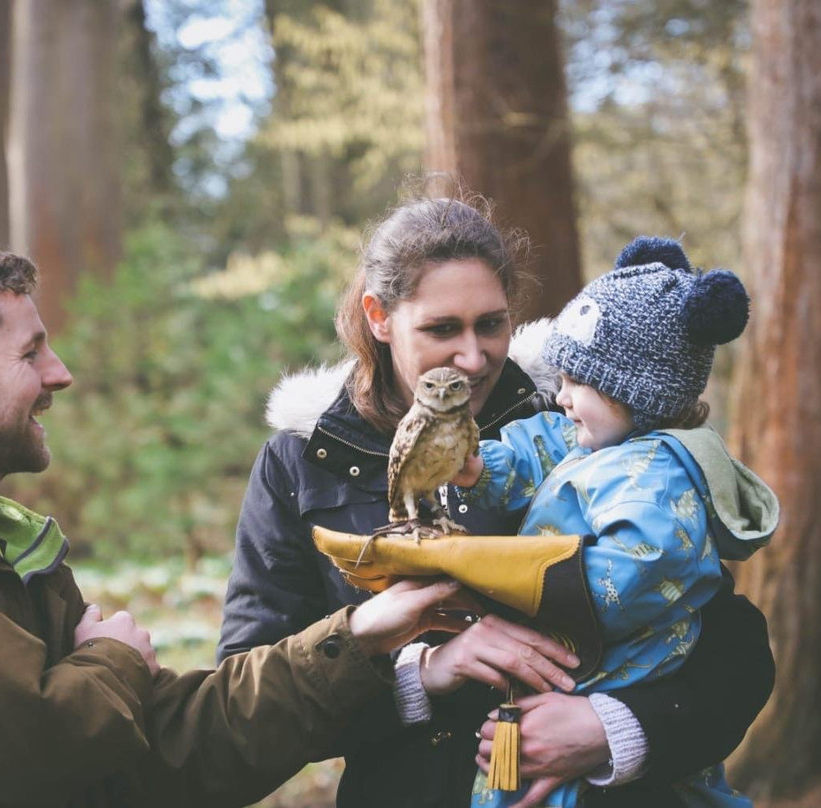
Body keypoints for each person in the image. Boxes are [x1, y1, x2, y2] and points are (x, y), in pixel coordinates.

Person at [0, 249, 481, 808]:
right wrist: (111, 660)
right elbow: (26, 755)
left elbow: (165, 748)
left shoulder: (6, 544)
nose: (60, 373)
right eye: (31, 353)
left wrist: (362, 637)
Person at [218, 195, 777, 808]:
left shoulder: (580, 427)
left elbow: (730, 646)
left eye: (491, 324)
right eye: (441, 329)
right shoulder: (304, 462)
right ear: (379, 317)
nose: (473, 357)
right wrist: (425, 673)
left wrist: (616, 729)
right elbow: (248, 702)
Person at [453, 236, 779, 807]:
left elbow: (636, 568)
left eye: (581, 384)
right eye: (564, 378)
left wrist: (523, 592)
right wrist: (479, 466)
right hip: (569, 665)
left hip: (612, 671)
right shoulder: (587, 441)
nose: (562, 396)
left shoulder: (657, 476)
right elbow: (529, 452)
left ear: (640, 394)